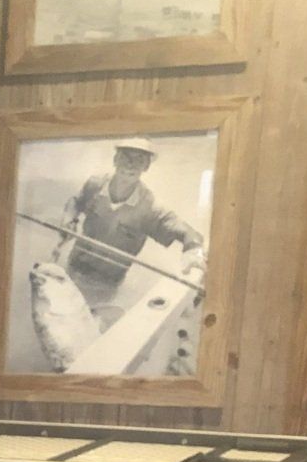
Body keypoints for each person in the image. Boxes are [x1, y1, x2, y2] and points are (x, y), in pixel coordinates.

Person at [59, 138, 206, 325]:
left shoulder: (151, 208)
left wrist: (194, 252)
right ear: (115, 160)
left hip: (105, 287)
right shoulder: (95, 184)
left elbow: (191, 235)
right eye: (125, 157)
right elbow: (75, 202)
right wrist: (68, 219)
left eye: (139, 160)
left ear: (146, 167)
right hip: (71, 271)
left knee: (83, 327)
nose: (130, 165)